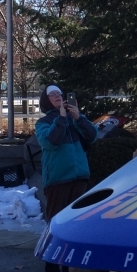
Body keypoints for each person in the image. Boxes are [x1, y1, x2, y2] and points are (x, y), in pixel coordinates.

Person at [35, 85, 98, 221]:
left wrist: (79, 118)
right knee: (56, 220)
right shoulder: (42, 122)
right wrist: (61, 118)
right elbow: (51, 142)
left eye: (59, 93)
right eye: (52, 94)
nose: (57, 96)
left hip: (80, 178)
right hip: (58, 180)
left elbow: (92, 137)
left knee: (76, 220)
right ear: (46, 100)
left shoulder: (74, 118)